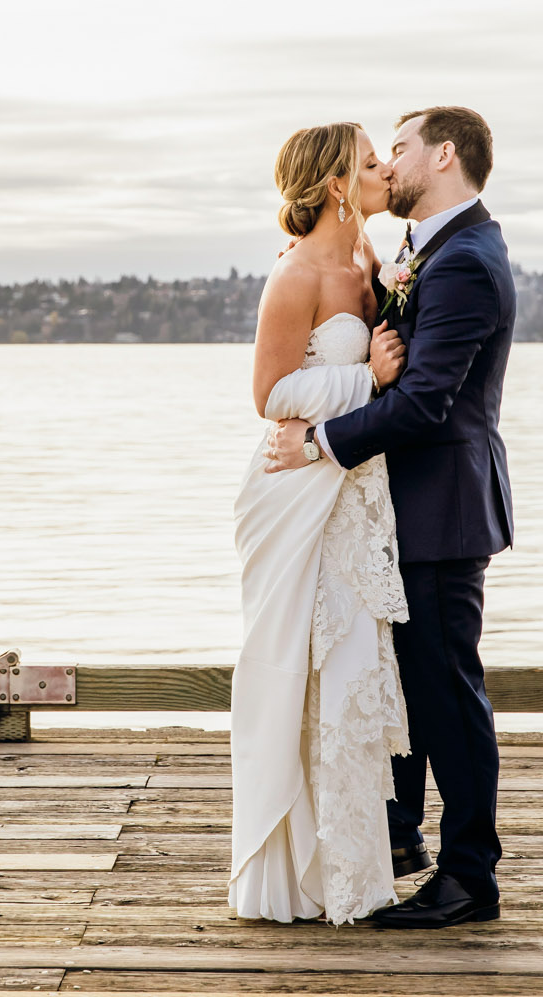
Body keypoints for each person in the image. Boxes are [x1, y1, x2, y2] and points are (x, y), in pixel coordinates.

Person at [264, 106, 515, 930]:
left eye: (397, 149)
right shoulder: (420, 249)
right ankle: (400, 834)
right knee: (404, 683)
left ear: (442, 155)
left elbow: (424, 403)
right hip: (398, 510)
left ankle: (470, 875)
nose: (389, 164)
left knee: (448, 694)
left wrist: (319, 443)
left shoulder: (465, 259)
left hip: (441, 509)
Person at [229, 121, 411, 925]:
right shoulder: (295, 274)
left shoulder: (370, 261)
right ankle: (292, 870)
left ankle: (353, 871)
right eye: (370, 162)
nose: (382, 171)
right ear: (338, 183)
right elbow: (268, 394)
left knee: (353, 669)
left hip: (351, 486)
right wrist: (363, 380)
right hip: (294, 484)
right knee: (299, 666)